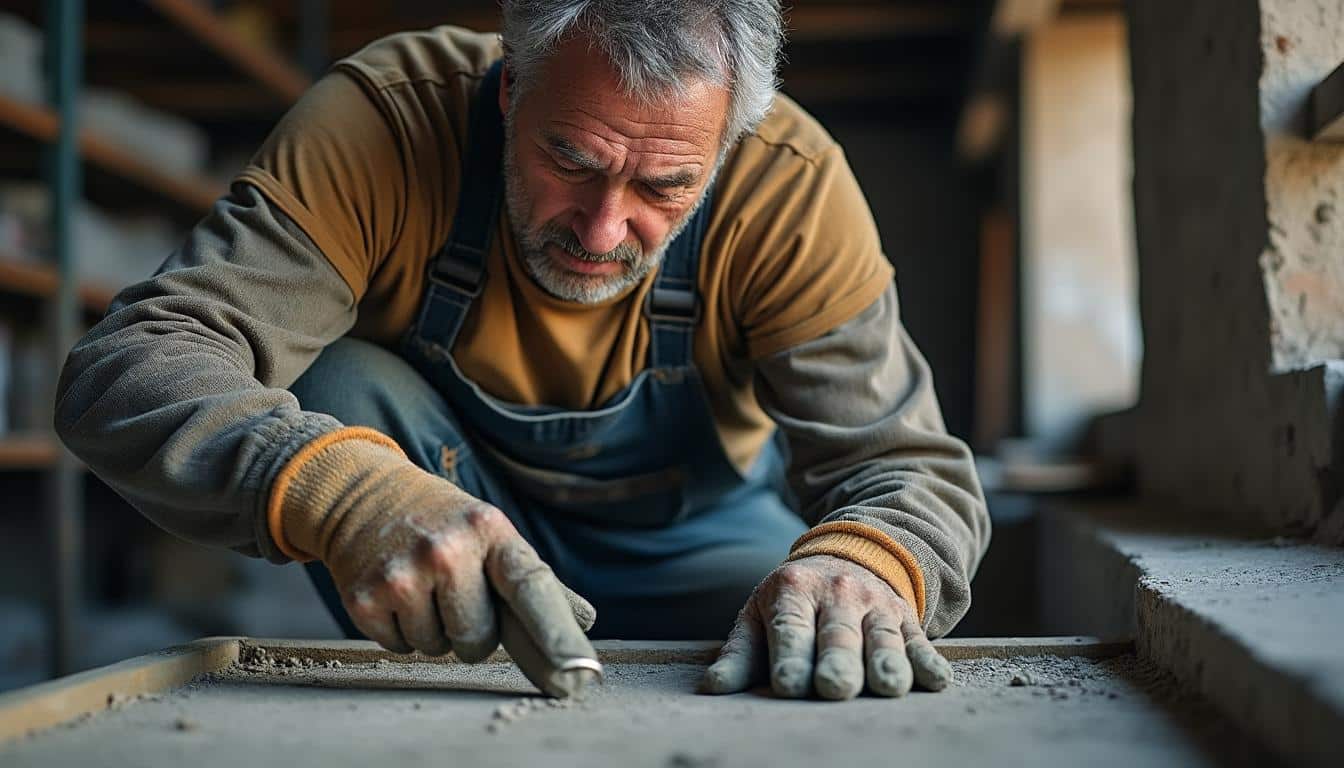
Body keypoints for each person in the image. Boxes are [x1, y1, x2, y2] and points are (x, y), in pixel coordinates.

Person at [55, 0, 989, 700]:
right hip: (439, 530)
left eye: (666, 186)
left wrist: (869, 565)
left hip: (690, 547)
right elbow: (130, 365)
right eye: (572, 163)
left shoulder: (791, 187)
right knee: (338, 385)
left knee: (804, 636)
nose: (604, 226)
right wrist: (342, 496)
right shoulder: (387, 122)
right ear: (512, 89)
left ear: (732, 144)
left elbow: (908, 467)